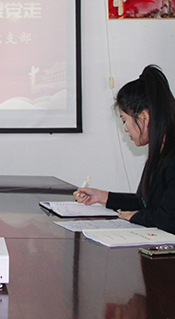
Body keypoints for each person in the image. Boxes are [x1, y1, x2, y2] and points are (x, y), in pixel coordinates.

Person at [74, 65, 175, 233]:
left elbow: (169, 219)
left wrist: (136, 217)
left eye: (124, 120)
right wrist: (103, 196)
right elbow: (145, 203)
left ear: (143, 117)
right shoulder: (161, 153)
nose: (126, 129)